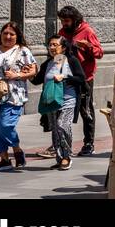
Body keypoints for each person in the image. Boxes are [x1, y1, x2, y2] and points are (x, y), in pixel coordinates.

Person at [0, 22, 37, 170]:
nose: (8, 36)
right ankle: (4, 159)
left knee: (5, 126)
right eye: (5, 33)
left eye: (12, 34)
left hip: (13, 95)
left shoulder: (23, 51)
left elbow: (33, 71)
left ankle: (17, 149)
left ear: (17, 36)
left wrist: (16, 74)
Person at [31, 35, 87, 169]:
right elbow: (36, 80)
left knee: (62, 125)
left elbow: (81, 79)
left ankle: (67, 156)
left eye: (55, 45)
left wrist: (65, 77)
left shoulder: (72, 61)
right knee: (56, 130)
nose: (51, 47)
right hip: (52, 101)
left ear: (63, 47)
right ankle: (59, 157)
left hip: (68, 100)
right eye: (50, 45)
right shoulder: (48, 63)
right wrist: (30, 74)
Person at [56, 5, 103, 155]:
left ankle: (89, 143)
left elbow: (99, 53)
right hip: (66, 76)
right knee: (61, 110)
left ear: (75, 20)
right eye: (62, 20)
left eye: (67, 20)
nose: (64, 23)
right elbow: (58, 52)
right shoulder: (63, 32)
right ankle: (59, 142)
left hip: (84, 78)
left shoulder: (87, 31)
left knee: (85, 110)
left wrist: (88, 46)